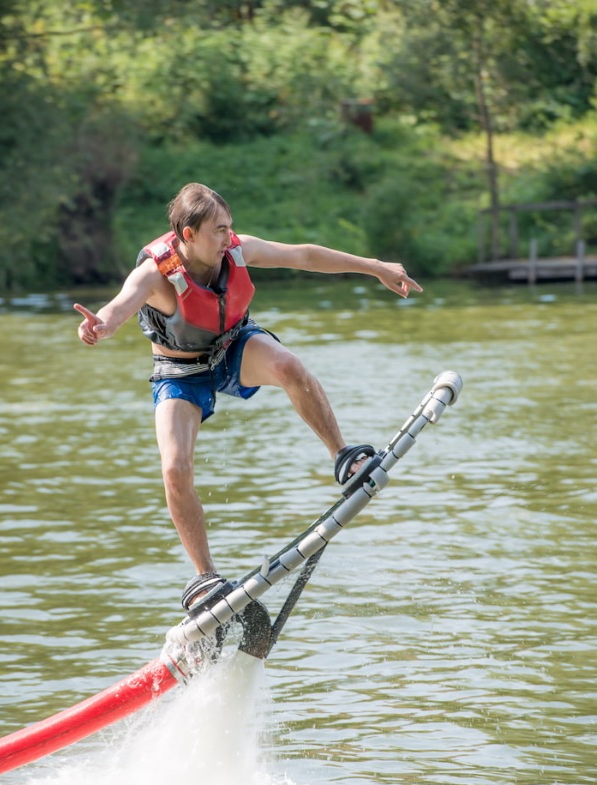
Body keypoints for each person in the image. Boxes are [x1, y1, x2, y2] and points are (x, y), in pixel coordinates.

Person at [75, 182, 422, 611]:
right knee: (175, 466)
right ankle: (205, 578)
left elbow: (304, 255)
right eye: (218, 230)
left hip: (232, 347)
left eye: (230, 227)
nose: (228, 237)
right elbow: (119, 306)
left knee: (289, 366)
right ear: (188, 235)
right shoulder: (156, 274)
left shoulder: (236, 250)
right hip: (180, 372)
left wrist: (375, 266)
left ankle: (344, 456)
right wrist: (100, 326)